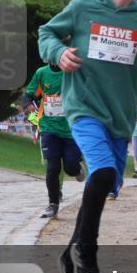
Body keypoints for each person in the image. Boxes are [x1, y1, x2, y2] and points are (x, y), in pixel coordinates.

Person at [38, 0, 137, 273]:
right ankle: (87, 252)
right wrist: (59, 53)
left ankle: (71, 259)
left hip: (120, 116)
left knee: (107, 183)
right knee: (104, 172)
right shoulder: (82, 8)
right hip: (84, 106)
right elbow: (46, 33)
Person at [21, 63, 85, 219]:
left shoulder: (74, 71)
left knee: (69, 167)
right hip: (48, 127)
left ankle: (76, 169)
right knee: (53, 167)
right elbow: (29, 94)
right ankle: (53, 204)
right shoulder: (42, 73)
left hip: (71, 129)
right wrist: (28, 104)